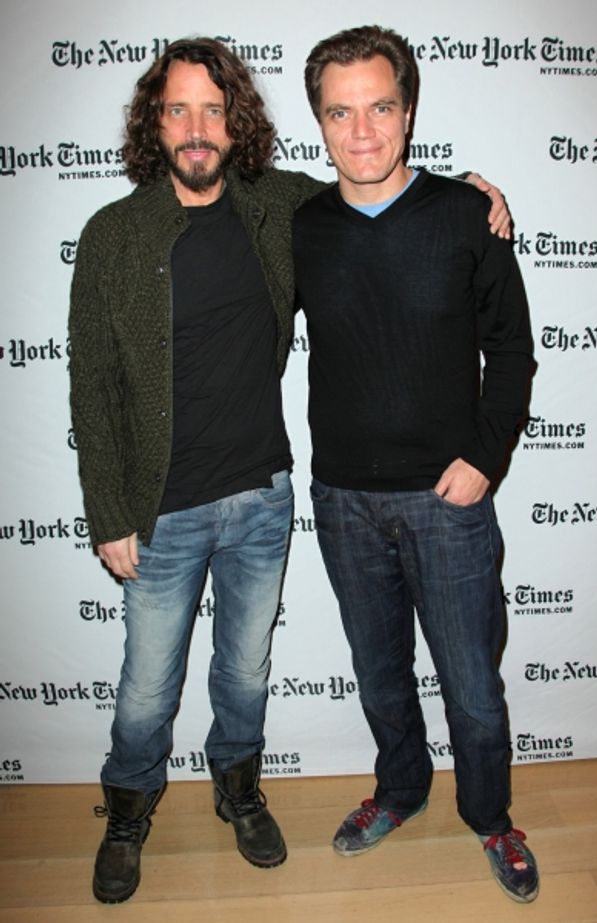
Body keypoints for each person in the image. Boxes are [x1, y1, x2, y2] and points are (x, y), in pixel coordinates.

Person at [69, 36, 511, 904]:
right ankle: (127, 814)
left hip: (262, 497)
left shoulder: (278, 207)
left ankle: (240, 793)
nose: (196, 127)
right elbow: (92, 384)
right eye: (177, 109)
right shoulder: (114, 235)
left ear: (236, 122)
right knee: (146, 689)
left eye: (212, 108)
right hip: (158, 511)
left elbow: (378, 187)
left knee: (244, 675)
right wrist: (107, 510)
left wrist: (475, 190)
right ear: (152, 124)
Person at [293, 25, 538, 905]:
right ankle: (400, 789)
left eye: (381, 107)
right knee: (379, 672)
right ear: (318, 123)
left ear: (409, 109)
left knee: (472, 684)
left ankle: (491, 815)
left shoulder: (467, 215)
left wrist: (484, 455)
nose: (362, 132)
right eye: (340, 112)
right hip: (344, 499)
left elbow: (511, 350)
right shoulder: (297, 223)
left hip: (449, 499)